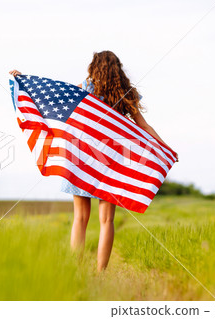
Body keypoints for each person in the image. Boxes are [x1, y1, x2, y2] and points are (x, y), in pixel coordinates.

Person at [9, 50, 178, 272]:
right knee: (106, 221)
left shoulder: (87, 88)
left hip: (81, 160)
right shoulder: (128, 93)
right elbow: (144, 126)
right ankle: (100, 273)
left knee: (80, 218)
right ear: (119, 69)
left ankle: (75, 270)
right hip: (111, 163)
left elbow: (58, 101)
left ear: (94, 67)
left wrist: (24, 80)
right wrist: (165, 148)